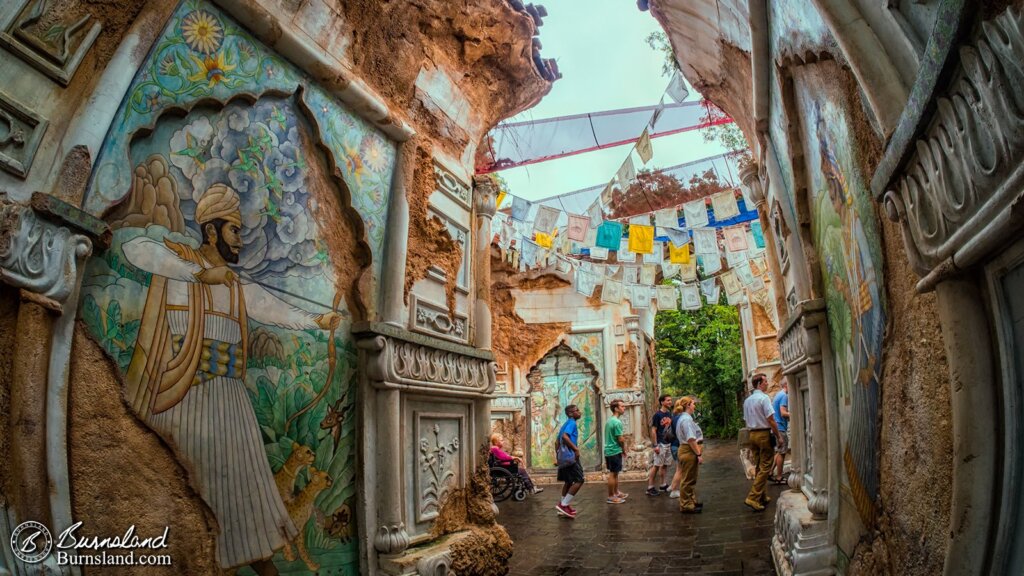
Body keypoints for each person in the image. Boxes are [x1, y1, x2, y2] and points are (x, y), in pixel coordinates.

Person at [121, 185, 343, 570]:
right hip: (186, 397)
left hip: (232, 406)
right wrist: (199, 274)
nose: (241, 239)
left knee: (245, 506)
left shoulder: (236, 285)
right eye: (235, 230)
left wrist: (317, 321)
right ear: (211, 231)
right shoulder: (179, 264)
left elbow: (274, 309)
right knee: (194, 494)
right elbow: (134, 249)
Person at [742, 373, 784, 511]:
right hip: (763, 434)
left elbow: (746, 418)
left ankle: (761, 495)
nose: (768, 384)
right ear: (759, 384)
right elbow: (771, 419)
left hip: (752, 434)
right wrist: (779, 436)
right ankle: (753, 497)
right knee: (766, 465)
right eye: (765, 381)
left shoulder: (748, 400)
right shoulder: (764, 398)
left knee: (759, 465)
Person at [555, 404, 586, 518]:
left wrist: (558, 456)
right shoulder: (572, 423)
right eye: (577, 410)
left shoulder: (565, 424)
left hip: (564, 458)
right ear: (570, 413)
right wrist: (575, 449)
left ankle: (562, 507)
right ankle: (564, 504)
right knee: (579, 480)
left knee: (568, 481)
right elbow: (564, 437)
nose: (579, 412)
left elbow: (556, 442)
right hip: (571, 457)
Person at [675, 396, 704, 513]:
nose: (694, 406)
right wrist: (698, 454)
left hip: (686, 449)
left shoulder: (684, 418)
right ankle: (686, 504)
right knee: (688, 479)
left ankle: (690, 501)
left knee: (691, 477)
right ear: (687, 405)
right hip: (688, 450)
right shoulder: (686, 420)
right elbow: (691, 439)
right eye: (693, 404)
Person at [646, 394, 674, 496]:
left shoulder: (669, 413)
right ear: (662, 402)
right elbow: (653, 430)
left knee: (665, 465)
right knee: (656, 465)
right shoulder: (657, 415)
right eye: (668, 400)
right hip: (660, 444)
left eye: (670, 400)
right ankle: (650, 487)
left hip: (668, 443)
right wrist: (655, 445)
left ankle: (663, 484)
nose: (670, 402)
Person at [604, 399, 629, 504]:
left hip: (610, 450)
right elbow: (620, 439)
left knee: (615, 473)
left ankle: (616, 492)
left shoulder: (610, 420)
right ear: (616, 409)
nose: (624, 408)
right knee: (613, 474)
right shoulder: (617, 422)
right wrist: (624, 449)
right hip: (614, 450)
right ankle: (611, 496)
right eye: (622, 406)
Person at [772, 378, 791, 484]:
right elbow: (783, 413)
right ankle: (779, 477)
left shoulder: (778, 395)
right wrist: (792, 414)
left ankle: (771, 472)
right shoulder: (784, 395)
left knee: (779, 451)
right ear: (786, 385)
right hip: (781, 428)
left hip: (777, 426)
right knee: (782, 453)